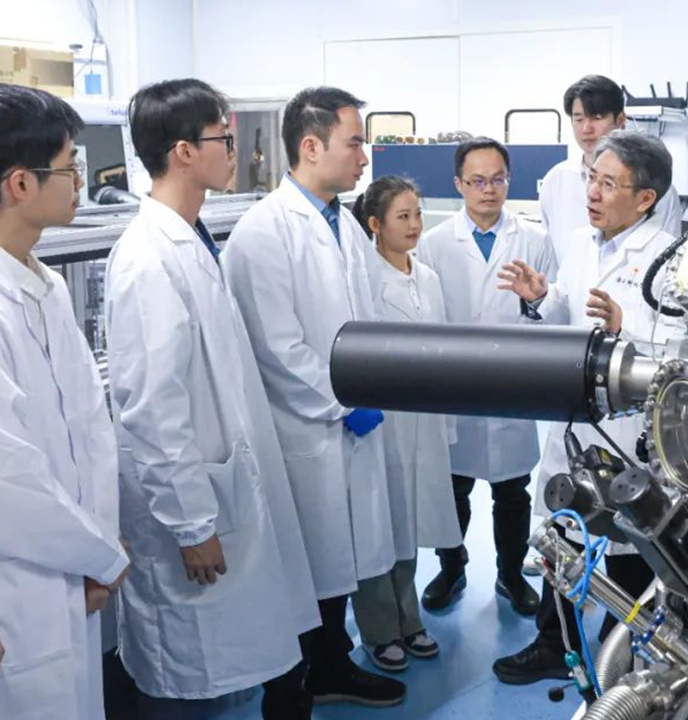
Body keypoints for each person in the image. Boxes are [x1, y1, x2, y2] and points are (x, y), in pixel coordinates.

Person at [105, 78, 322, 719]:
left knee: (230, 659)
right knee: (182, 681)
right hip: (190, 514)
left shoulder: (191, 237)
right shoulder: (148, 259)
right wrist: (192, 523)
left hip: (221, 491)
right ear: (182, 152)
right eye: (222, 139)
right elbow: (150, 407)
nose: (235, 150)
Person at [223, 86, 406, 707]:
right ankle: (302, 679)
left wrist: (371, 384)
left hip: (345, 422)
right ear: (310, 145)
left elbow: (362, 319)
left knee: (339, 564)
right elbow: (278, 347)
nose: (364, 157)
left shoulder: (342, 224)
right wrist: (342, 403)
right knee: (307, 567)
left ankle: (331, 665)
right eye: (355, 142)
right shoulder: (262, 232)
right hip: (304, 428)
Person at [494, 130, 687, 684]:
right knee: (561, 536)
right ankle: (553, 642)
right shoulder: (581, 240)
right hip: (573, 422)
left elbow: (681, 354)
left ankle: (621, 654)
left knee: (628, 548)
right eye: (591, 179)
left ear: (645, 198)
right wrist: (540, 296)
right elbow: (567, 310)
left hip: (629, 437)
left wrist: (628, 330)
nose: (594, 192)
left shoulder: (667, 259)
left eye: (608, 183)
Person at [0, 82, 130, 719]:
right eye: (69, 166)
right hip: (21, 588)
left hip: (72, 577)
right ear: (20, 184)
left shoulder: (43, 284)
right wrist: (100, 554)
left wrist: (97, 553)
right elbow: (9, 479)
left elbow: (84, 436)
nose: (80, 180)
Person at [416, 138, 555, 616]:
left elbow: (552, 312)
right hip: (454, 386)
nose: (488, 189)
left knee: (512, 491)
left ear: (508, 182)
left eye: (498, 179)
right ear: (458, 184)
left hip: (512, 386)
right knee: (453, 488)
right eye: (477, 180)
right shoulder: (433, 244)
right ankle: (451, 568)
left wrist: (535, 303)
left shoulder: (534, 241)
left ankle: (511, 576)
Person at [349, 176, 460, 672]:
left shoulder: (428, 277)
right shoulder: (363, 279)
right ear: (375, 225)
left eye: (418, 214)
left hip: (425, 419)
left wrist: (448, 424)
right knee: (380, 525)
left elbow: (444, 351)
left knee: (411, 520)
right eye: (403, 216)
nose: (415, 225)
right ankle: (378, 629)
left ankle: (408, 618)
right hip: (384, 421)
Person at [539, 75, 682, 276]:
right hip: (569, 301)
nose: (586, 129)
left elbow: (668, 265)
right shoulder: (555, 181)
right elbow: (551, 259)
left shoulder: (655, 189)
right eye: (578, 119)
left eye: (596, 117)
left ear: (620, 120)